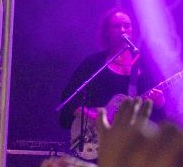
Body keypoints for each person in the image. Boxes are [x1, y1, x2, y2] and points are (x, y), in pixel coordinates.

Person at [56, 9, 159, 155]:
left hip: (129, 143)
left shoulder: (142, 64)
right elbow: (69, 97)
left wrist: (159, 102)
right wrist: (92, 116)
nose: (123, 30)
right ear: (107, 32)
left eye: (127, 25)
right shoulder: (93, 63)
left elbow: (151, 110)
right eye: (117, 26)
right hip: (96, 139)